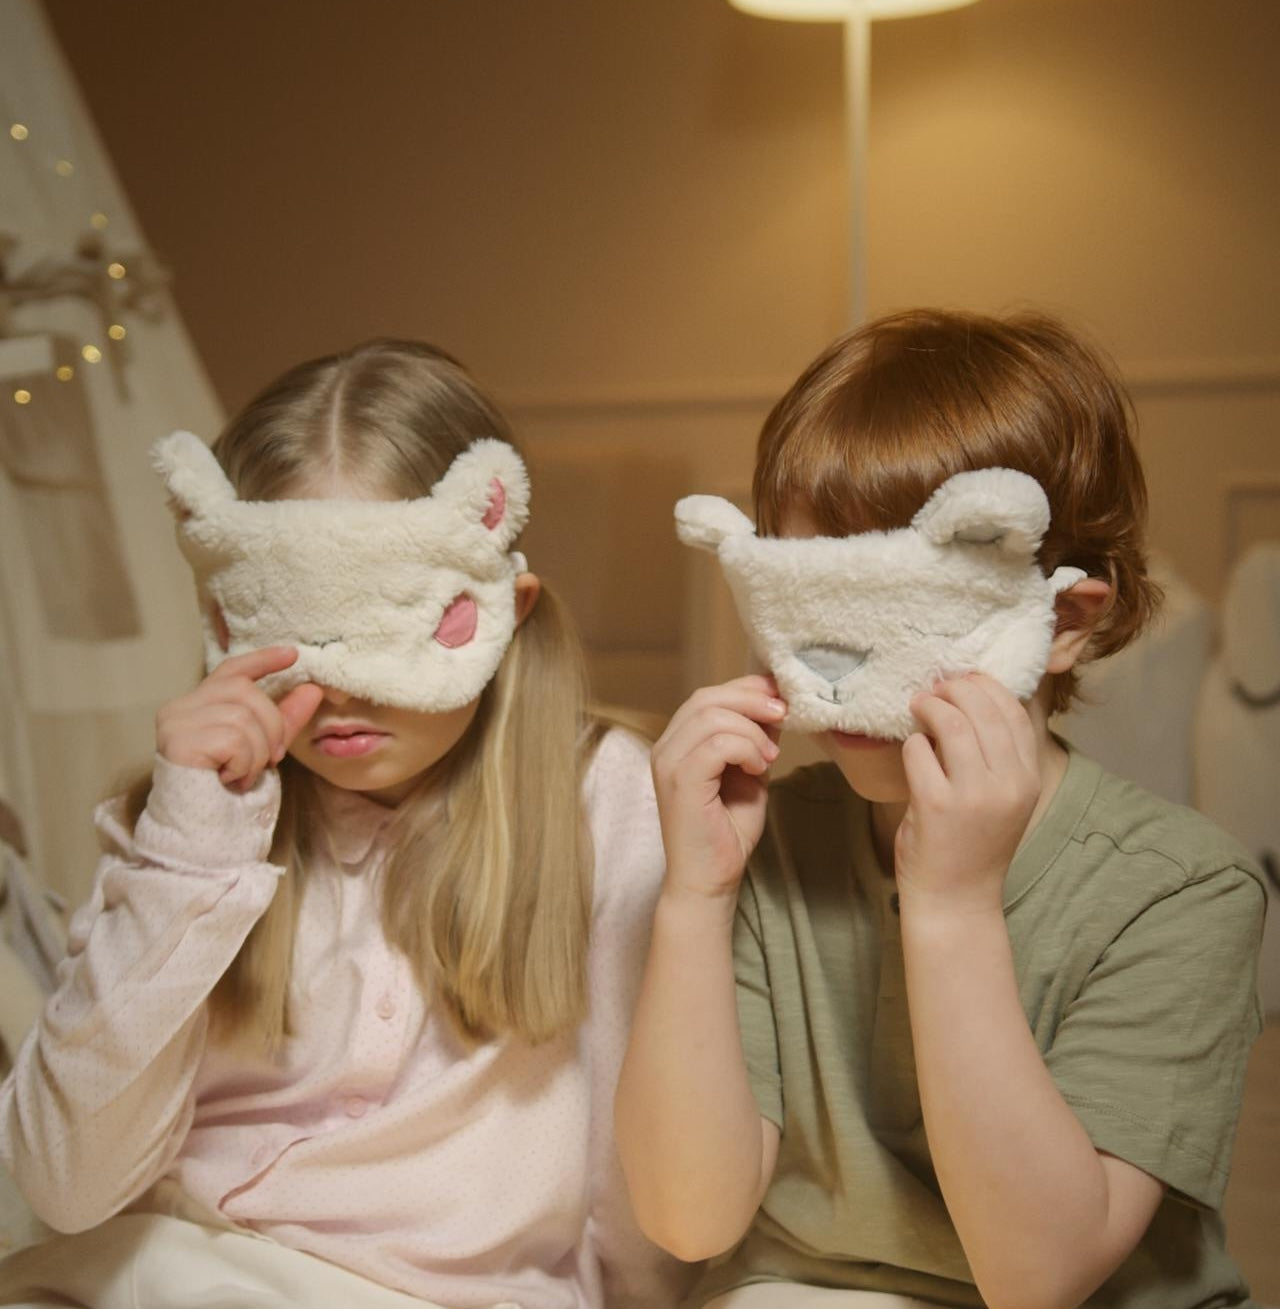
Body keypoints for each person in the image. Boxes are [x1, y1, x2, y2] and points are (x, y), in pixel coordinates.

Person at [0, 340, 691, 1309]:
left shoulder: (603, 803)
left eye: (382, 623)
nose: (340, 690)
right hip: (164, 1272)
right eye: (298, 620)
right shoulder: (173, 825)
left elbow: (637, 1176)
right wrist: (189, 849)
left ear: (503, 607)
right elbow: (62, 1182)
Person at [614, 309, 1267, 1309]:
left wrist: (953, 905)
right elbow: (687, 1218)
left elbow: (1034, 1275)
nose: (848, 662)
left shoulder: (1180, 887)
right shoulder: (768, 841)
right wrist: (692, 901)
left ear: (1062, 623)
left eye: (903, 617)